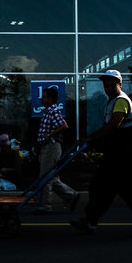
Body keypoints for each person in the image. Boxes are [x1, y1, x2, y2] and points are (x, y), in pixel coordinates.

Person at [70, 70, 132, 237]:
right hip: (116, 155)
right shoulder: (113, 101)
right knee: (100, 188)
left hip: (126, 157)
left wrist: (89, 139)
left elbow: (113, 126)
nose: (108, 88)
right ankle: (90, 221)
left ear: (120, 84)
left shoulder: (121, 101)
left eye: (112, 84)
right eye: (106, 85)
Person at [33, 87, 79, 215]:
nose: (42, 99)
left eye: (44, 96)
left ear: (51, 99)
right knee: (51, 176)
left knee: (46, 177)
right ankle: (71, 196)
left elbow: (64, 125)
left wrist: (50, 135)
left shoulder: (53, 111)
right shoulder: (48, 111)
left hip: (51, 147)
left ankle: (45, 205)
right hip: (47, 147)